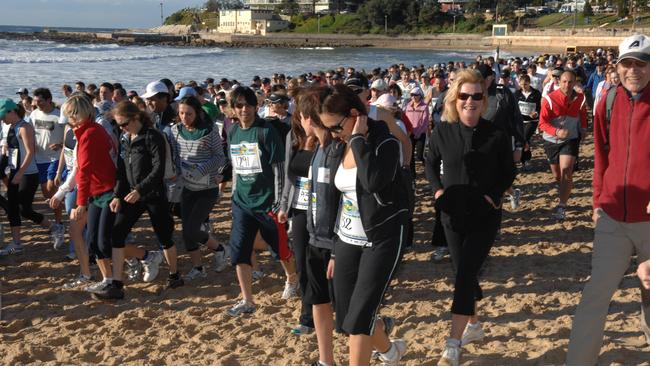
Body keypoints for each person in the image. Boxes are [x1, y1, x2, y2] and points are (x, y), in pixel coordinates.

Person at [567, 34, 650, 365]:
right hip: (613, 217)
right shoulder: (609, 101)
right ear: (617, 67)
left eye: (641, 63)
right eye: (627, 63)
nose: (634, 70)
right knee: (595, 296)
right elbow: (601, 156)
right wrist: (597, 203)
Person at [425, 69, 516, 366]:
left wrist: (494, 196)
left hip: (484, 217)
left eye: (477, 96)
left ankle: (453, 343)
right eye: (464, 95)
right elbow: (428, 162)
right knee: (464, 274)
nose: (470, 101)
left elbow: (508, 171)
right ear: (455, 98)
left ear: (484, 99)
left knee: (464, 276)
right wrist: (437, 191)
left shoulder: (497, 134)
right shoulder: (442, 131)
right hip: (451, 215)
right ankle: (474, 325)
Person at [317, 84, 408, 365]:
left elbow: (372, 181)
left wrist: (357, 139)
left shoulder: (385, 142)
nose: (333, 134)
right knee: (346, 319)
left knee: (359, 320)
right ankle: (391, 352)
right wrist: (333, 248)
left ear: (355, 115)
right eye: (328, 129)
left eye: (336, 127)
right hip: (346, 240)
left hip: (382, 239)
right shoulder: (337, 145)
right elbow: (336, 199)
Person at [93, 101, 184, 300]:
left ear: (136, 118)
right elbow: (122, 171)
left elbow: (157, 170)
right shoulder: (125, 138)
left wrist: (140, 190)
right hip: (131, 195)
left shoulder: (154, 137)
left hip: (153, 194)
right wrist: (118, 195)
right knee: (117, 234)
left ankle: (174, 275)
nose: (122, 128)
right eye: (118, 125)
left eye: (124, 124)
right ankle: (117, 284)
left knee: (164, 236)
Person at [226, 86, 298, 316]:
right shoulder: (233, 132)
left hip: (268, 203)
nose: (244, 109)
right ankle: (247, 300)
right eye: (239, 105)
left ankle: (292, 278)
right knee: (239, 251)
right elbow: (236, 168)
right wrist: (233, 196)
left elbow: (279, 168)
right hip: (242, 203)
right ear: (233, 109)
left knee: (281, 250)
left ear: (256, 107)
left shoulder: (266, 131)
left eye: (248, 105)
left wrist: (279, 203)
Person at [63, 94, 118, 295]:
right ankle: (107, 278)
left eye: (72, 114)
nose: (70, 118)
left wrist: (80, 203)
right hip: (98, 192)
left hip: (105, 192)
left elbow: (84, 171)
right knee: (96, 241)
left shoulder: (90, 134)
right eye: (69, 114)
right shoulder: (87, 131)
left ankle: (144, 256)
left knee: (103, 241)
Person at [169, 96, 228, 280]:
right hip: (186, 187)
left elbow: (220, 157)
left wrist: (201, 170)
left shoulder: (209, 131)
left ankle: (221, 249)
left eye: (189, 113)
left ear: (198, 113)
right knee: (186, 231)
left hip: (207, 188)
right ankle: (198, 267)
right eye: (181, 113)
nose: (184, 117)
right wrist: (176, 170)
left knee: (192, 229)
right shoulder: (174, 131)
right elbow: (175, 155)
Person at [277, 90, 317, 336]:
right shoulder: (293, 135)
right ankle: (307, 315)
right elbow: (288, 175)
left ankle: (328, 305)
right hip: (300, 208)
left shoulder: (329, 138)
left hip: (324, 208)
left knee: (324, 263)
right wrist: (283, 206)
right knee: (302, 263)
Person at [0, 99, 55, 255]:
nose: (2, 119)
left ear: (12, 112)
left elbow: (31, 152)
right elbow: (10, 151)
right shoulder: (10, 126)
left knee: (24, 209)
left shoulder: (24, 127)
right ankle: (17, 243)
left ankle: (53, 227)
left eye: (3, 115)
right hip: (14, 171)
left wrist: (20, 172)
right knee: (12, 208)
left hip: (28, 174)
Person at [538, 70, 588, 221]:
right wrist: (556, 131)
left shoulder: (580, 98)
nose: (567, 85)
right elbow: (542, 124)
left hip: (571, 138)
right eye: (564, 81)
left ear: (575, 83)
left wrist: (583, 129)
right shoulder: (549, 99)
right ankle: (564, 189)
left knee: (567, 170)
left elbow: (583, 113)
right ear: (558, 82)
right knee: (557, 175)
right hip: (551, 140)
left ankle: (562, 205)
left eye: (570, 82)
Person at [30, 87, 66, 248]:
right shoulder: (34, 114)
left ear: (49, 100)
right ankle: (59, 220)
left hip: (55, 157)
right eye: (35, 101)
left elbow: (69, 135)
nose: (37, 104)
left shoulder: (59, 115)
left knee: (51, 187)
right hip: (39, 158)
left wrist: (60, 144)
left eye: (40, 101)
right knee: (47, 193)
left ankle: (58, 223)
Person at [514, 74, 542, 170]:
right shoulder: (517, 94)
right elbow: (514, 108)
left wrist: (536, 113)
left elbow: (540, 107)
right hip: (520, 121)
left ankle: (526, 160)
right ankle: (525, 159)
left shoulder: (536, 93)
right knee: (523, 140)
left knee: (523, 138)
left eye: (525, 84)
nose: (523, 87)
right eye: (521, 84)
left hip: (532, 121)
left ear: (529, 83)